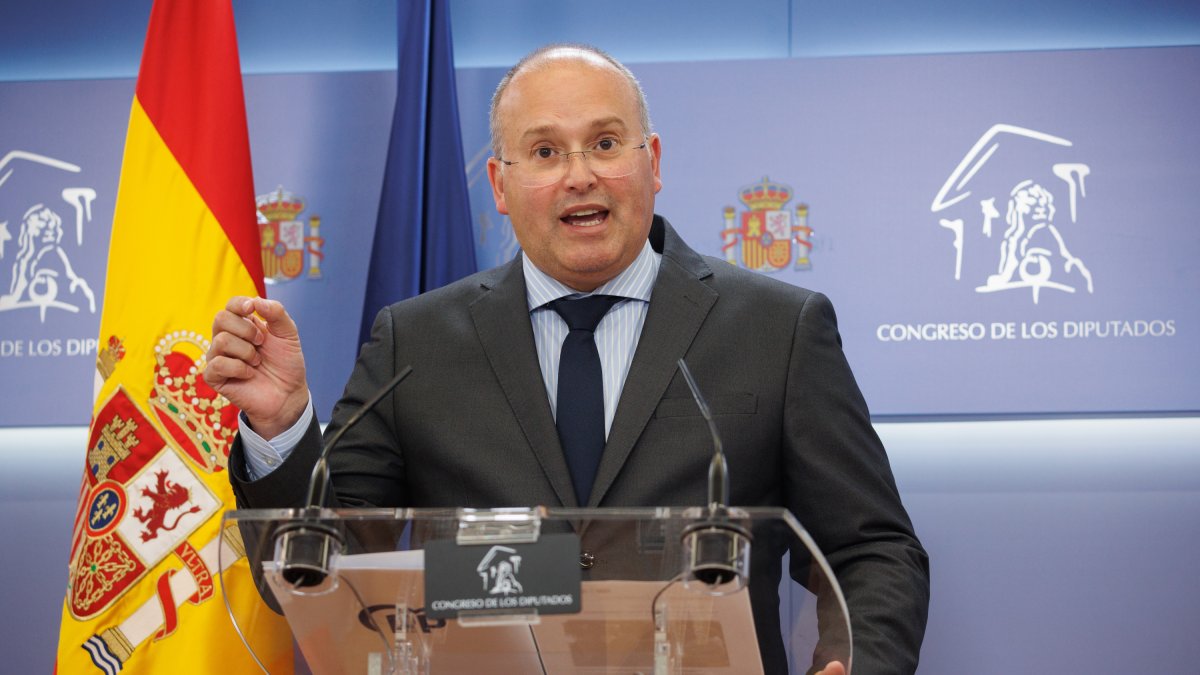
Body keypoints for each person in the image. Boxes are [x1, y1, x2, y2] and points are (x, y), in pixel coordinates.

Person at [207, 44, 929, 674]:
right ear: (499, 184)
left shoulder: (778, 328)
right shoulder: (414, 342)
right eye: (546, 151)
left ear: (653, 162)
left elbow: (871, 551)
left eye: (606, 143)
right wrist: (282, 427)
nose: (579, 174)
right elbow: (314, 574)